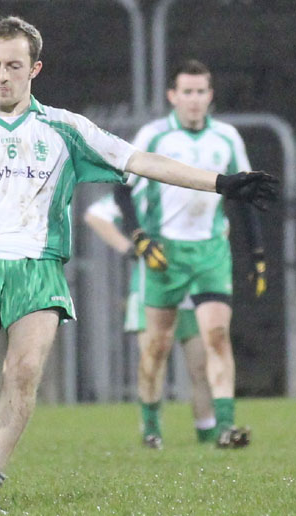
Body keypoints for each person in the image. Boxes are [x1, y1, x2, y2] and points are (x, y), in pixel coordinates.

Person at [0, 18, 277, 511]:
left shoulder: (63, 128)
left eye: (14, 66)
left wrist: (221, 183)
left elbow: (139, 160)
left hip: (41, 266)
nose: (3, 76)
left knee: (24, 372)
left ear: (34, 68)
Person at [114, 59, 270, 450]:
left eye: (201, 92)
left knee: (217, 337)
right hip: (165, 253)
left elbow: (245, 194)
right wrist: (139, 238)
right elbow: (122, 188)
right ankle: (151, 428)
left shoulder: (227, 138)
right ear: (173, 96)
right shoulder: (154, 135)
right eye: (187, 91)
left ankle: (225, 428)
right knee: (157, 345)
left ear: (210, 96)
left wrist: (257, 252)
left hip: (211, 251)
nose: (194, 100)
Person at [85, 193, 216, 449]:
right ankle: (151, 430)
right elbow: (96, 214)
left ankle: (208, 431)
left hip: (192, 286)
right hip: (151, 286)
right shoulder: (148, 185)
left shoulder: (195, 185)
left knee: (201, 364)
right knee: (153, 356)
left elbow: (219, 223)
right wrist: (129, 249)